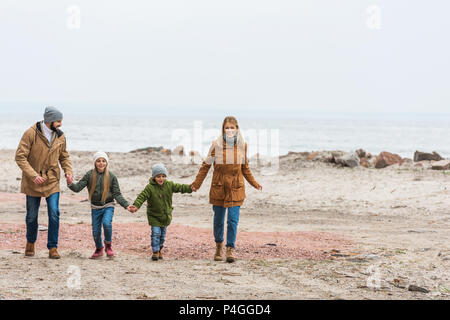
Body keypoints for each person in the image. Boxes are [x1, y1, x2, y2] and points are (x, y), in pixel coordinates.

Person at [190, 116, 262, 263]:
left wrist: (254, 183)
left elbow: (245, 168)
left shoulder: (243, 146)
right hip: (219, 187)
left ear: (237, 129)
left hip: (236, 187)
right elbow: (206, 165)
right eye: (227, 128)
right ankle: (218, 246)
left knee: (233, 221)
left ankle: (230, 249)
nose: (229, 130)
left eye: (232, 127)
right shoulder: (216, 145)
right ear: (223, 129)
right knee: (218, 221)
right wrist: (197, 183)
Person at [15, 106, 73, 259]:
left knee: (54, 213)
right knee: (31, 216)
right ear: (49, 121)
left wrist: (68, 171)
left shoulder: (60, 136)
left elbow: (64, 157)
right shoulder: (30, 133)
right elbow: (20, 157)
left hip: (52, 180)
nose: (60, 124)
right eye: (58, 121)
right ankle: (30, 242)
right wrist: (33, 175)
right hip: (33, 181)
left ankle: (53, 247)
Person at [68, 151, 133, 259]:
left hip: (108, 205)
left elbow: (117, 194)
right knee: (96, 231)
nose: (101, 163)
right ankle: (99, 248)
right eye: (98, 161)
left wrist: (126, 205)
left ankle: (108, 246)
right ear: (95, 163)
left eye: (103, 161)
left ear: (106, 163)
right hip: (95, 208)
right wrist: (70, 183)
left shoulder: (111, 176)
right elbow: (78, 188)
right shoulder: (89, 175)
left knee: (107, 223)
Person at [128, 163, 194, 261]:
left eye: (163, 176)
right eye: (158, 176)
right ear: (154, 177)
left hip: (165, 216)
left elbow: (180, 187)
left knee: (162, 235)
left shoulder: (169, 185)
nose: (161, 179)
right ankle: (155, 251)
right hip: (154, 216)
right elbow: (141, 197)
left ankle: (159, 249)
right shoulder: (149, 188)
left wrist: (190, 188)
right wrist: (136, 205)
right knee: (155, 233)